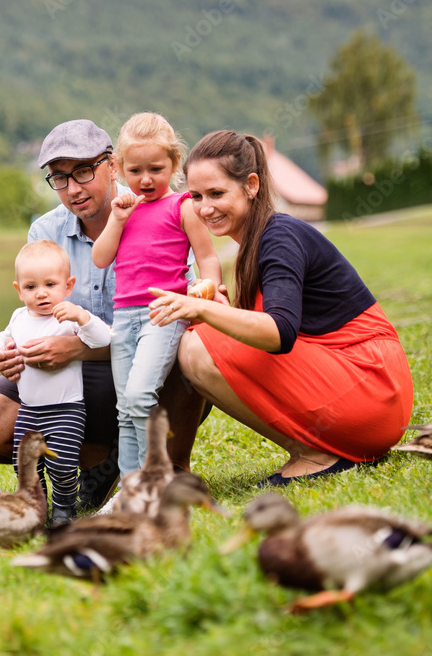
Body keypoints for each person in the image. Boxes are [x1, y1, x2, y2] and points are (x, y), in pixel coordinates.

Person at [0, 119, 208, 511]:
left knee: (188, 339)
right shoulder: (45, 230)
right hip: (68, 381)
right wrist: (14, 351)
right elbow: (33, 314)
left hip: (150, 361)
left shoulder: (159, 210)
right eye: (59, 178)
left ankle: (171, 466)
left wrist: (78, 347)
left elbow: (181, 305)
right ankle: (93, 463)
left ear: (111, 167)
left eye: (84, 172)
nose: (73, 189)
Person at [149, 129, 414, 486]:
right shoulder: (256, 241)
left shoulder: (279, 237)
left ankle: (316, 454)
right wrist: (221, 309)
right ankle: (172, 469)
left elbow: (280, 333)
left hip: (372, 389)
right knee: (200, 335)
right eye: (195, 196)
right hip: (367, 392)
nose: (204, 208)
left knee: (195, 346)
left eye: (216, 193)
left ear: (252, 185)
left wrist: (206, 312)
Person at [91, 112, 224, 483]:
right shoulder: (122, 210)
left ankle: (154, 480)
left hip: (163, 314)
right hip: (124, 318)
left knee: (138, 395)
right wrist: (116, 220)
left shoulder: (182, 206)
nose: (145, 179)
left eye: (155, 168)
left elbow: (207, 256)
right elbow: (101, 258)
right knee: (124, 408)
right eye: (135, 170)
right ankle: (131, 489)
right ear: (118, 168)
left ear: (175, 164)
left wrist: (208, 291)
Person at [0, 240, 111, 524]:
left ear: (68, 286)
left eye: (50, 285)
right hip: (29, 410)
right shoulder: (19, 317)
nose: (42, 294)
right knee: (26, 465)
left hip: (66, 410)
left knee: (63, 465)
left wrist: (83, 318)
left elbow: (103, 339)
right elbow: (0, 340)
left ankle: (63, 508)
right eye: (31, 287)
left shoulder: (68, 317)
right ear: (19, 291)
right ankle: (36, 505)